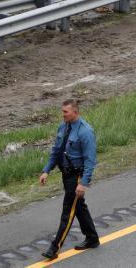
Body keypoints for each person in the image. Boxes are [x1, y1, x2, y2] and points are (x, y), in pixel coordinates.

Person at [39, 99, 100, 260]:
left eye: (65, 112)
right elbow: (56, 152)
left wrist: (83, 183)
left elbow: (90, 160)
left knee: (69, 210)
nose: (63, 114)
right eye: (62, 111)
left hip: (77, 176)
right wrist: (46, 170)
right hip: (65, 175)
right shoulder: (63, 127)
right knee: (78, 206)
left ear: (75, 112)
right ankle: (92, 238)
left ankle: (54, 247)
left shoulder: (85, 132)